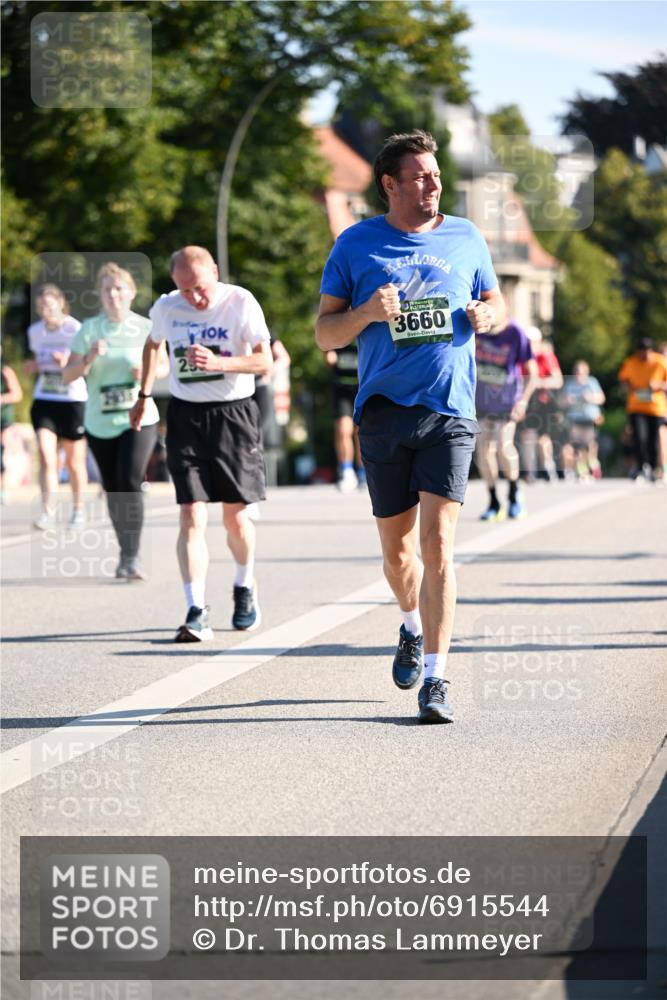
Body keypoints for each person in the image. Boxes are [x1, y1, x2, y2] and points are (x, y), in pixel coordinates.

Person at [316, 130, 505, 724]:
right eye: (419, 176)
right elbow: (324, 332)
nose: (432, 184)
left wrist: (487, 315)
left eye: (436, 174)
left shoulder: (466, 236)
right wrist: (367, 313)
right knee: (399, 556)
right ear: (390, 184)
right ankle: (409, 625)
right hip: (383, 414)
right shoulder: (356, 243)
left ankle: (438, 679)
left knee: (439, 545)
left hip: (449, 409)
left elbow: (497, 304)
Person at [130, 246, 272, 641]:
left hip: (234, 414)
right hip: (186, 416)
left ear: (215, 271)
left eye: (201, 287)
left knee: (235, 518)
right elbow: (152, 342)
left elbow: (265, 362)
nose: (196, 297)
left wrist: (219, 363)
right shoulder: (167, 307)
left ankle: (244, 586)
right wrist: (143, 396)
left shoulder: (240, 302)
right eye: (186, 290)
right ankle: (196, 609)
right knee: (191, 513)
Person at [64, 262, 164, 579]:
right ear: (100, 295)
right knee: (113, 486)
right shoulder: (89, 329)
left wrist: (145, 373)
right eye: (107, 289)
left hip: (139, 416)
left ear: (131, 293)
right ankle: (125, 552)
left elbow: (163, 369)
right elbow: (67, 374)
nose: (113, 294)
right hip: (99, 420)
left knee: (130, 478)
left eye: (119, 288)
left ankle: (132, 557)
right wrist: (89, 358)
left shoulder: (146, 327)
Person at [25, 284, 88, 529]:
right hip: (45, 398)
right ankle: (47, 512)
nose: (45, 311)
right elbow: (40, 361)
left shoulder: (75, 329)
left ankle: (78, 510)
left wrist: (67, 362)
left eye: (49, 306)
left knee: (73, 462)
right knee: (46, 455)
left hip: (72, 400)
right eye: (41, 307)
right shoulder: (35, 331)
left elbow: (85, 364)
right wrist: (35, 367)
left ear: (61, 304)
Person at [475, 317, 537, 520]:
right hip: (481, 401)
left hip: (507, 401)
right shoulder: (475, 328)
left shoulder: (515, 332)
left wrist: (523, 401)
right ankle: (493, 501)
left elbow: (532, 372)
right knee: (484, 451)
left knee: (503, 445)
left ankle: (514, 494)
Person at [618, 338, 667, 481]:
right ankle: (640, 466)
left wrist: (658, 385)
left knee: (653, 439)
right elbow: (623, 379)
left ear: (651, 351)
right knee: (639, 437)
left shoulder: (660, 362)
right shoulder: (631, 362)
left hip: (655, 407)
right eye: (641, 352)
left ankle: (654, 468)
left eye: (646, 352)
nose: (643, 356)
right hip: (636, 406)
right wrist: (629, 387)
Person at [520, 326, 563, 483]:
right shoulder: (521, 357)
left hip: (544, 402)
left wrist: (537, 382)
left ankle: (547, 467)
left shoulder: (546, 357)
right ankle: (530, 472)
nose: (529, 345)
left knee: (543, 438)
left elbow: (558, 380)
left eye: (532, 342)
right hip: (527, 401)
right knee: (527, 437)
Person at [326, 343, 366, 492]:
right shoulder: (341, 327)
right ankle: (347, 471)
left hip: (361, 387)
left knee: (360, 431)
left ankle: (363, 472)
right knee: (343, 429)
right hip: (342, 389)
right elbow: (326, 344)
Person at [560, 360, 605, 480]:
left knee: (589, 444)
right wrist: (568, 400)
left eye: (581, 372)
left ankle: (594, 465)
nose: (578, 375)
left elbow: (601, 398)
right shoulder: (569, 384)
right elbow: (561, 402)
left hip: (590, 417)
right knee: (578, 445)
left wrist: (590, 397)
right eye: (576, 372)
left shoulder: (591, 382)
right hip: (575, 418)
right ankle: (582, 471)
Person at [1, 352, 23, 504]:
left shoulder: (5, 371)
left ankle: (3, 489)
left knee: (1, 454)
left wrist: (2, 398)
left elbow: (17, 394)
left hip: (3, 421)